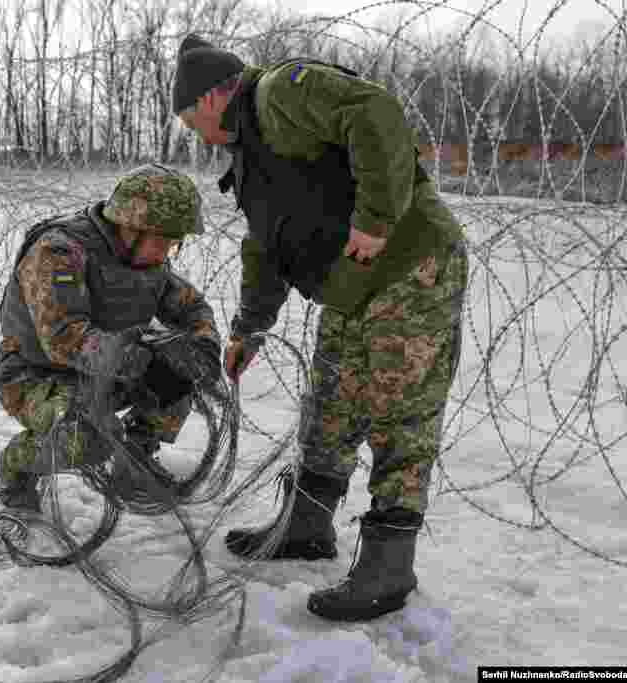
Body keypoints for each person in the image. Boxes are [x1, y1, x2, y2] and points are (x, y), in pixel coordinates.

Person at [172, 34, 469, 622]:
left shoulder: (280, 92)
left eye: (188, 119)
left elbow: (374, 110)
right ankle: (305, 524)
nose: (193, 133)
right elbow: (265, 248)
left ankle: (389, 566)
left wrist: (377, 219)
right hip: (350, 287)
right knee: (329, 401)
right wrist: (248, 329)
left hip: (410, 267)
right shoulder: (251, 156)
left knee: (397, 410)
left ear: (210, 97)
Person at [0, 163, 222, 512]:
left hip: (108, 372)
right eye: (162, 242)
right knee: (88, 442)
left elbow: (192, 307)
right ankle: (17, 467)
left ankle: (135, 461)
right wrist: (142, 363)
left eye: (173, 245)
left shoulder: (146, 260)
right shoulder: (59, 251)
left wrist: (203, 344)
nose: (165, 254)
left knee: (182, 371)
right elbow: (63, 338)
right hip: (36, 377)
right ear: (131, 227)